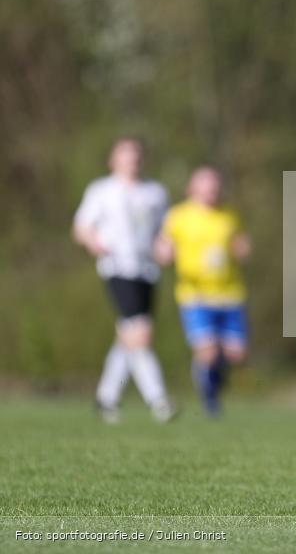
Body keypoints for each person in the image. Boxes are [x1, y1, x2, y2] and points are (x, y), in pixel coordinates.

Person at [73, 138, 176, 423]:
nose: (132, 161)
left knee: (128, 336)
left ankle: (106, 399)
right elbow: (81, 226)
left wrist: (165, 247)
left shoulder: (155, 192)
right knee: (140, 334)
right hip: (117, 267)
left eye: (136, 156)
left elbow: (164, 231)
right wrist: (92, 241)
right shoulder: (102, 190)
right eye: (125, 156)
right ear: (113, 160)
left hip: (147, 271)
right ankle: (159, 400)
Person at [155, 167, 251, 417]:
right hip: (195, 294)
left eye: (215, 187)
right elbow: (163, 244)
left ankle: (214, 381)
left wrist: (242, 248)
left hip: (230, 293)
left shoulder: (228, 215)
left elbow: (239, 243)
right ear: (193, 189)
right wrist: (163, 252)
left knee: (236, 354)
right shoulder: (179, 216)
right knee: (207, 352)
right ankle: (209, 397)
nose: (212, 192)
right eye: (206, 187)